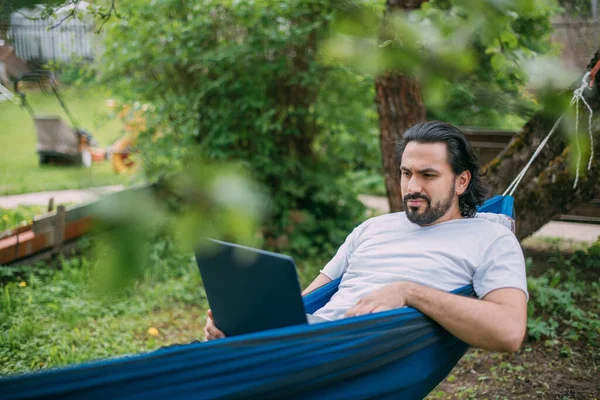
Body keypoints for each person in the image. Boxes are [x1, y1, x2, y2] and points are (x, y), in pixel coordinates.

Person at [204, 121, 528, 353]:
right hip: (302, 348)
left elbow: (509, 331)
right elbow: (300, 306)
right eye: (406, 173)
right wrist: (243, 329)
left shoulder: (490, 237)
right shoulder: (373, 228)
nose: (412, 187)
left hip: (359, 360)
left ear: (461, 181)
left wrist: (409, 292)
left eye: (428, 175)